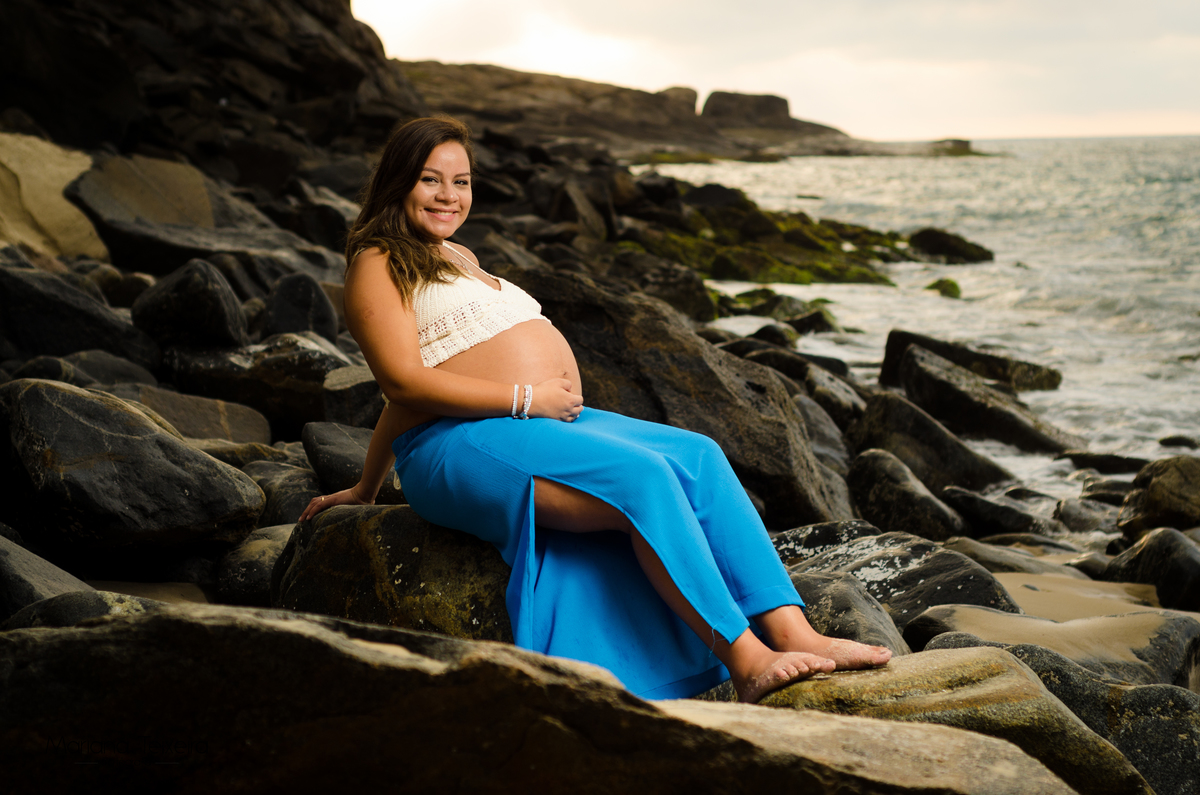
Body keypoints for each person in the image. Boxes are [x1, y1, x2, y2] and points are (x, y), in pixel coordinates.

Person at [299, 116, 891, 702]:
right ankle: (747, 658)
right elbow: (404, 385)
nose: (450, 196)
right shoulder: (378, 261)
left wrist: (365, 485)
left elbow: (429, 374)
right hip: (462, 443)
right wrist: (524, 397)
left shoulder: (457, 257)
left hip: (536, 422)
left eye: (463, 181)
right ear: (400, 181)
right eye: (432, 180)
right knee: (644, 478)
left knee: (700, 455)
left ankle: (795, 631)